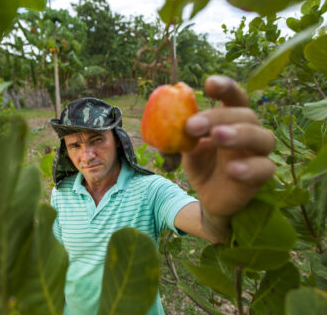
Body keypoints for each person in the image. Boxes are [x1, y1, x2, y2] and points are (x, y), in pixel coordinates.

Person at [49, 76, 276, 315]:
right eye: (75, 145)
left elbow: (214, 228)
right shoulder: (61, 194)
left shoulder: (152, 190)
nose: (87, 155)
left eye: (97, 140)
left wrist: (225, 206)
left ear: (117, 141)